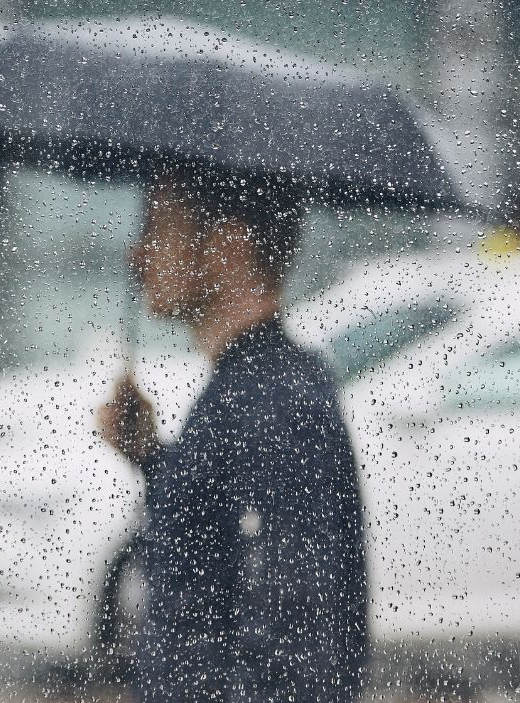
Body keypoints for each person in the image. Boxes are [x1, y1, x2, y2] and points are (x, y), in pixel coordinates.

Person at [100, 167, 369, 703]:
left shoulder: (273, 400)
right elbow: (216, 553)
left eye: (160, 227)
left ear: (230, 243)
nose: (137, 256)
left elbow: (295, 634)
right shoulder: (251, 386)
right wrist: (152, 458)